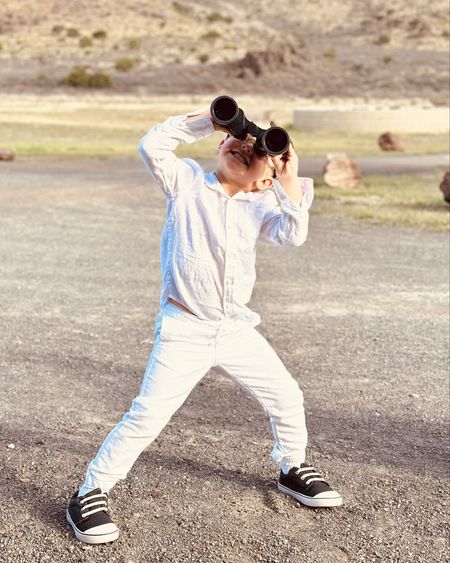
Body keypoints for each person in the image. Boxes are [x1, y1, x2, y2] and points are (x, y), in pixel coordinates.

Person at [66, 100, 342, 545]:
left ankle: (292, 466)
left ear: (266, 179)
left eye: (258, 154)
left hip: (235, 329)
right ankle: (90, 491)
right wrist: (211, 119)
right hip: (186, 328)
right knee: (149, 413)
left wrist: (288, 179)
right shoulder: (188, 183)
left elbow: (294, 235)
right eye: (237, 139)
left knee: (287, 395)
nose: (243, 149)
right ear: (221, 141)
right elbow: (152, 146)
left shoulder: (265, 207)